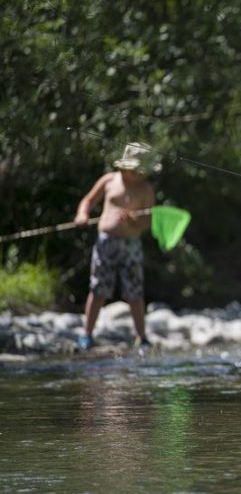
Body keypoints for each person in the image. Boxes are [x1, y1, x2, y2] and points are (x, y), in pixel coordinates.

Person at [73, 142, 158, 350]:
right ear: (126, 167)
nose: (140, 174)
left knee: (135, 292)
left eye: (143, 171)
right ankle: (87, 335)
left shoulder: (146, 190)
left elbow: (148, 223)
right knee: (98, 289)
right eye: (137, 170)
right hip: (106, 243)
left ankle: (142, 337)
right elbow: (88, 200)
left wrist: (133, 221)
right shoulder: (109, 181)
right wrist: (82, 214)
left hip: (131, 246)